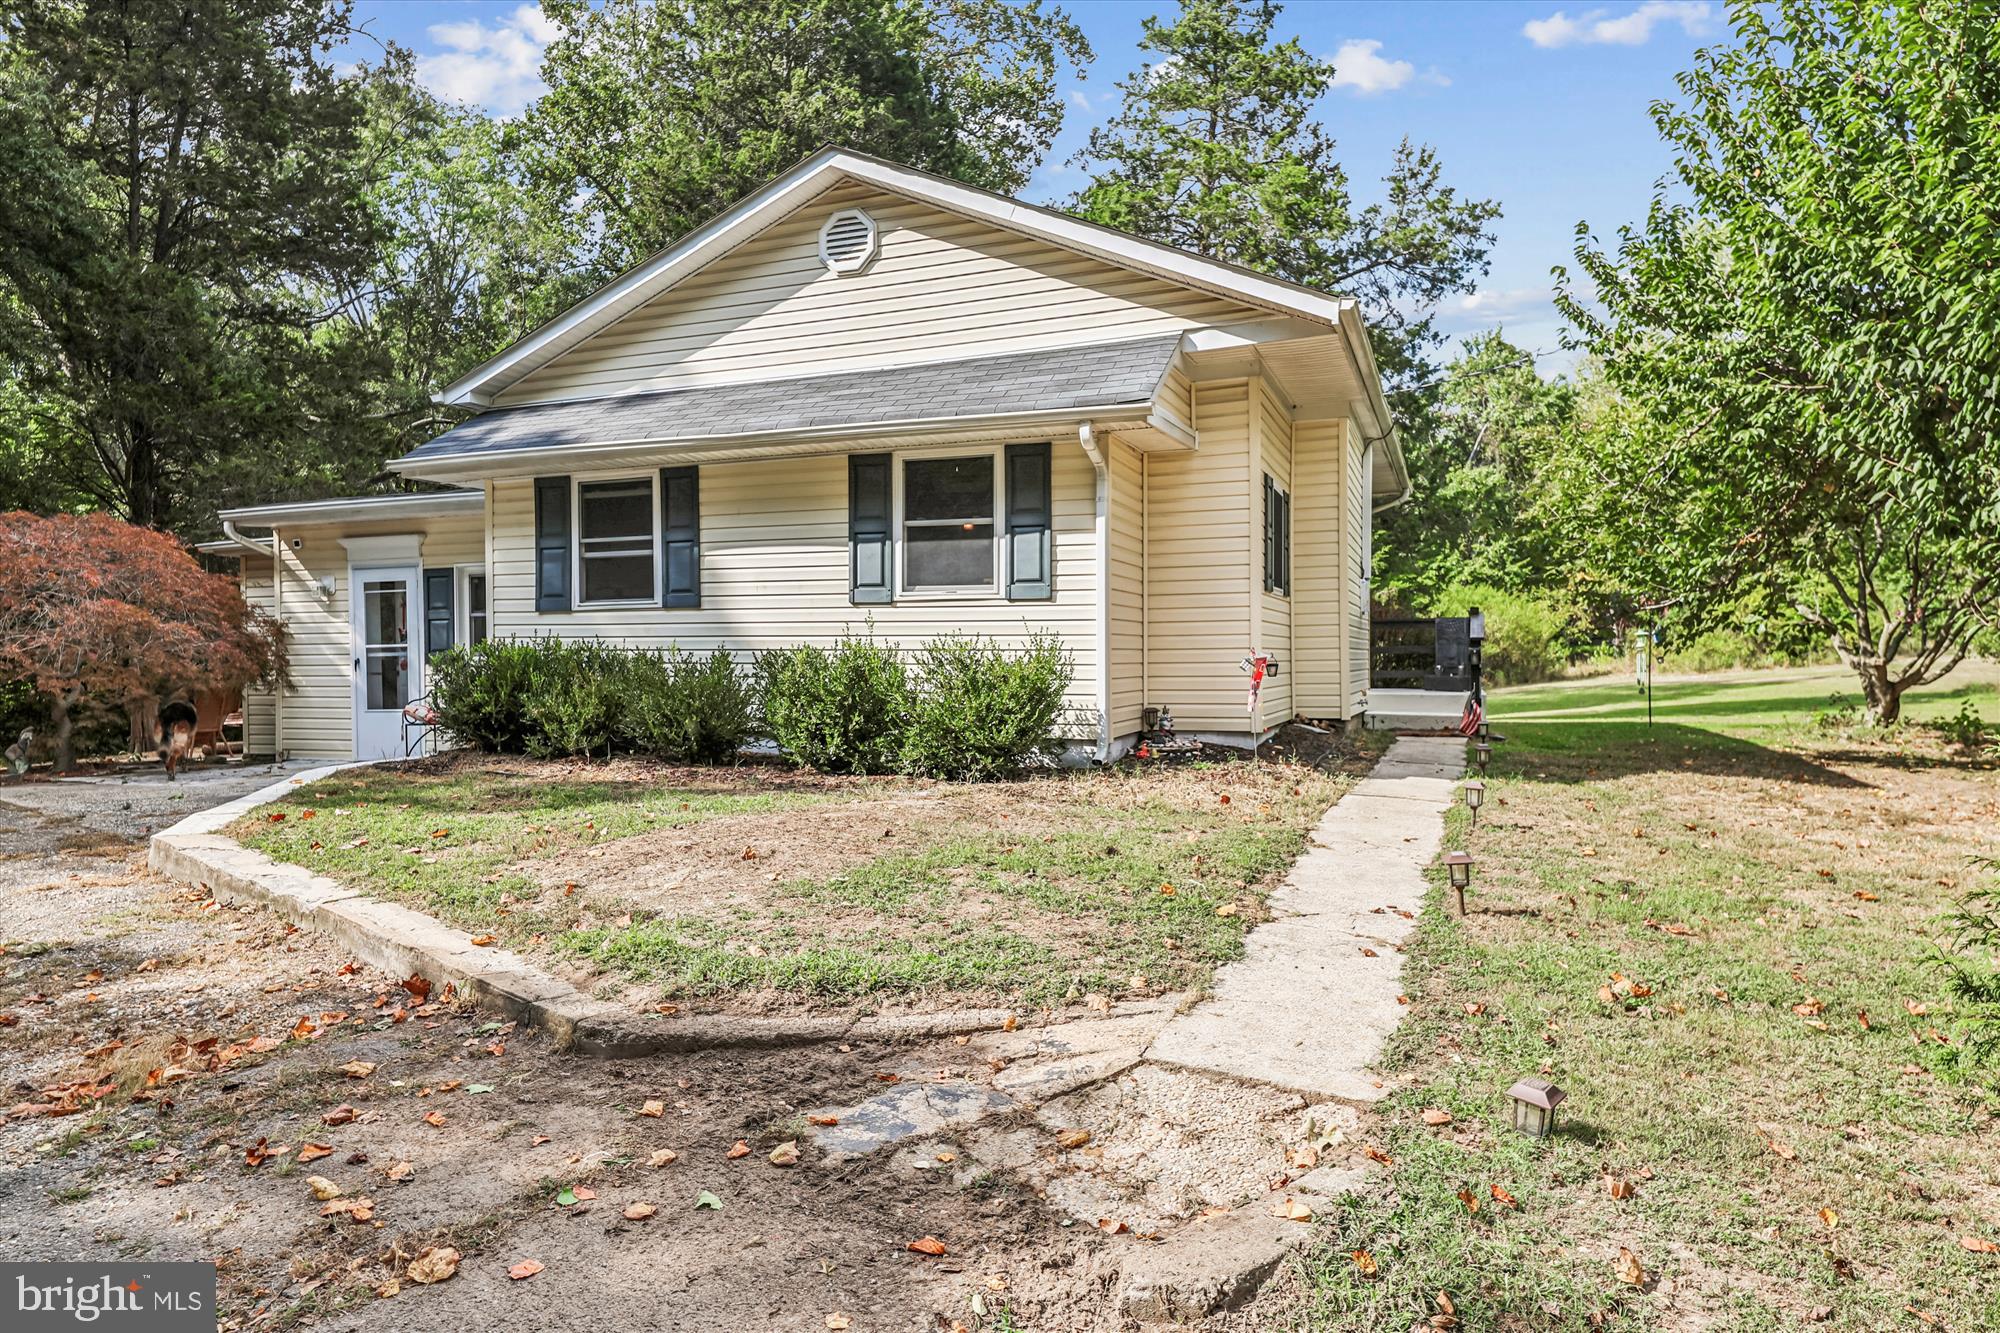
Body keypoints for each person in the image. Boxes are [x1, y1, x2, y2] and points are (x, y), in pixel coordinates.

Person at [158, 696, 199, 780]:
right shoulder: (190, 712)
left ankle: (168, 760)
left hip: (167, 714)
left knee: (167, 738)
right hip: (184, 716)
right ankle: (172, 764)